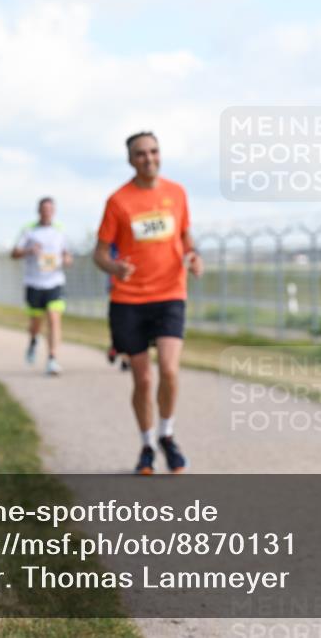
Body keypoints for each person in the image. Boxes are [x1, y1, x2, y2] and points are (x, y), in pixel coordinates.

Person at [94, 131, 203, 475]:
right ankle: (145, 444)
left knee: (169, 370)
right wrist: (115, 267)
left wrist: (193, 255)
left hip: (170, 293)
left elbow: (184, 236)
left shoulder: (177, 193)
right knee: (143, 380)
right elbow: (99, 253)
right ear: (130, 160)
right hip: (129, 299)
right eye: (140, 154)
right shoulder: (118, 201)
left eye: (154, 151)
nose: (149, 158)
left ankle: (167, 436)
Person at [11, 197, 72, 376]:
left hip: (54, 282)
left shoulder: (60, 231)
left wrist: (67, 260)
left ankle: (52, 359)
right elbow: (14, 253)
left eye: (50, 209)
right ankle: (33, 340)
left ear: (54, 211)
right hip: (34, 282)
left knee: (54, 318)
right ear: (38, 211)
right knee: (36, 323)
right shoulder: (29, 231)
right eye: (44, 209)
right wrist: (29, 250)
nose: (47, 212)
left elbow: (68, 254)